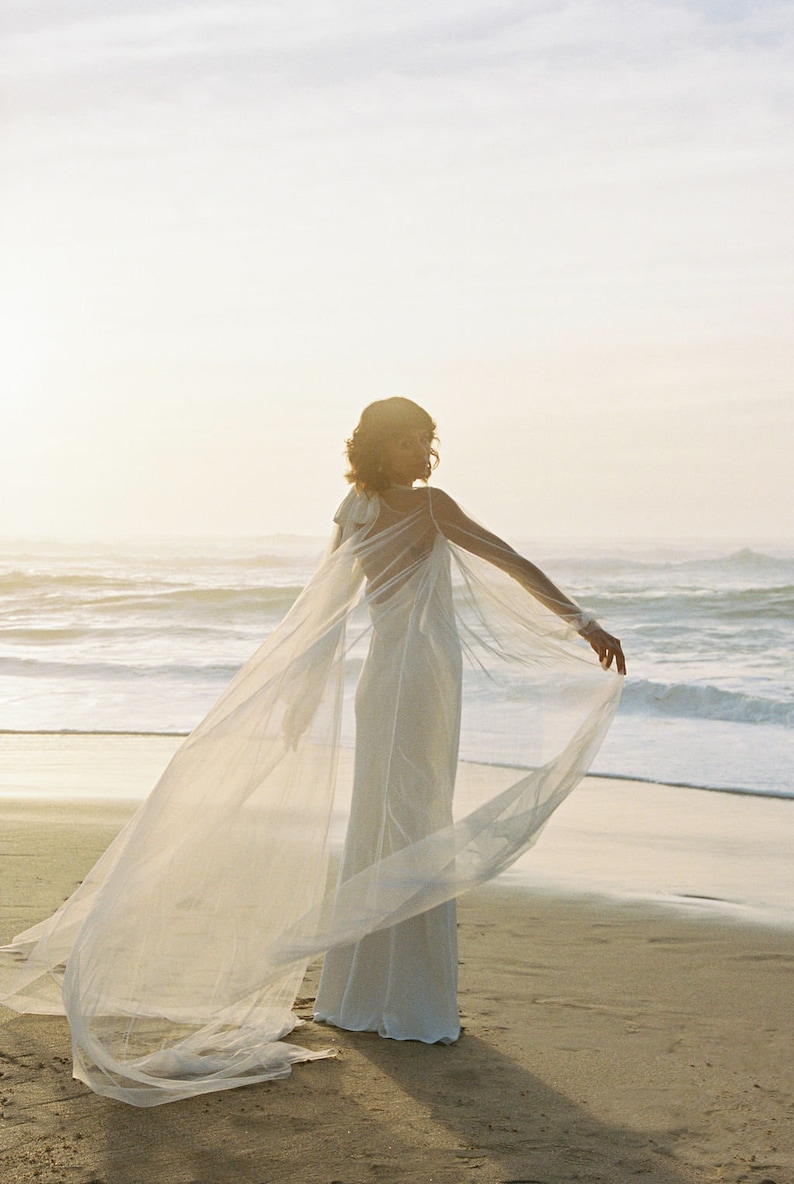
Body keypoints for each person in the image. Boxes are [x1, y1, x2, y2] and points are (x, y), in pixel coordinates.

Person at [0, 397, 624, 1107]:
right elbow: (507, 560)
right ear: (382, 447)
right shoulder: (425, 507)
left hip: (391, 678)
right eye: (412, 442)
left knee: (385, 821)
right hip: (417, 680)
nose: (425, 454)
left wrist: (299, 696)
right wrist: (581, 620)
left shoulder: (355, 508)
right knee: (414, 819)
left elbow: (321, 615)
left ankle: (360, 997)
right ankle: (411, 1006)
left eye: (429, 441)